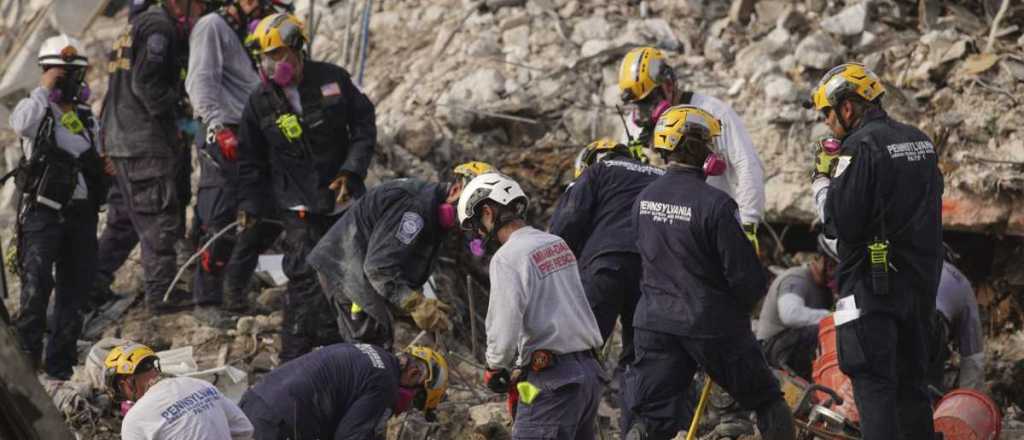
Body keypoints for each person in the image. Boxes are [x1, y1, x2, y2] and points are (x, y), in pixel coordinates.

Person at [621, 105, 795, 440]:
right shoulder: (716, 204)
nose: (713, 150)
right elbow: (746, 278)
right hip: (710, 324)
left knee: (651, 418)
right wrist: (741, 310)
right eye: (707, 143)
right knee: (769, 401)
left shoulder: (642, 199)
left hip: (653, 323)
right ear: (693, 147)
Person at [808, 62, 943, 439]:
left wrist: (822, 181)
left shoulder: (859, 148)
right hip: (919, 289)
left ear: (847, 108)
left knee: (875, 388)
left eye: (827, 114)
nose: (827, 123)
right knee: (913, 387)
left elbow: (841, 224)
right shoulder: (919, 140)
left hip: (872, 293)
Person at [237, 13, 377, 362]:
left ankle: (347, 352)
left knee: (350, 277)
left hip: (342, 203)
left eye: (280, 54)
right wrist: (251, 207)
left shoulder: (333, 79)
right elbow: (250, 161)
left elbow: (363, 126)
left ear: (299, 50)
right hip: (298, 205)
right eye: (268, 57)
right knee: (304, 280)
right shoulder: (259, 102)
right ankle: (294, 359)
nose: (274, 64)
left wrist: (351, 171)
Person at [458, 173, 605, 439]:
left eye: (477, 226)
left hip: (553, 381)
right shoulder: (555, 243)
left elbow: (504, 324)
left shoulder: (507, 258)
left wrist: (495, 366)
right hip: (588, 375)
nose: (480, 234)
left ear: (488, 212)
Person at [8, 35, 110, 380]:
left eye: (74, 72)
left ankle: (59, 367)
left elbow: (90, 152)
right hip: (43, 213)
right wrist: (45, 91)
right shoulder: (34, 109)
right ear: (47, 71)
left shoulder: (83, 115)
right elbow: (20, 126)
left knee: (74, 291)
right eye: (62, 72)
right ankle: (26, 368)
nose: (69, 79)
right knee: (36, 289)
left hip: (79, 215)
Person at [308, 162, 493, 347]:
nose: (467, 224)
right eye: (468, 214)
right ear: (456, 190)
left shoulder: (431, 211)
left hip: (358, 269)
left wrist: (414, 300)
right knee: (371, 351)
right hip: (346, 269)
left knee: (375, 345)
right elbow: (379, 269)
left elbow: (401, 260)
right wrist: (415, 304)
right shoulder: (414, 210)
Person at [98, 0, 207, 313]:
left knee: (125, 221)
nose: (200, 10)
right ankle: (161, 295)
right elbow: (147, 85)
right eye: (197, 3)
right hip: (143, 143)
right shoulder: (159, 27)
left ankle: (93, 284)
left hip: (122, 140)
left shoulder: (137, 25)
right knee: (159, 219)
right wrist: (178, 116)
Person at [185, 0, 291, 312]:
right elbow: (201, 80)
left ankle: (234, 290)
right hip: (225, 129)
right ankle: (206, 299)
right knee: (222, 213)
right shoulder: (212, 27)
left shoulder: (245, 33)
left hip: (253, 130)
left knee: (266, 213)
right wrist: (217, 126)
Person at [618, 47, 765, 253]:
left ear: (668, 85)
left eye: (648, 101)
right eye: (638, 104)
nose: (643, 111)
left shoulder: (711, 112)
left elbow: (746, 164)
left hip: (712, 226)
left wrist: (748, 223)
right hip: (663, 235)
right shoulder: (633, 129)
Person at [549, 138, 663, 374]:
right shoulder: (661, 177)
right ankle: (633, 409)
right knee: (641, 361)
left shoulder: (598, 170)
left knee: (578, 349)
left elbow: (567, 222)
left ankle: (566, 405)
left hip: (606, 265)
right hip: (654, 274)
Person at [238, 344, 448, 440]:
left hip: (253, 404)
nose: (408, 409)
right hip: (279, 425)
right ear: (413, 374)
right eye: (418, 400)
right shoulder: (385, 383)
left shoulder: (374, 354)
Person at [103, 343, 254, 439]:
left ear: (128, 382)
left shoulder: (135, 419)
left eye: (120, 387)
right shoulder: (199, 384)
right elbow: (245, 429)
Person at [756, 235, 837, 380]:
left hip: (787, 348)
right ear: (818, 259)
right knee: (824, 330)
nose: (833, 273)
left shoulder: (824, 290)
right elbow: (790, 315)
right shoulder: (796, 279)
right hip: (772, 349)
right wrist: (832, 317)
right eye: (831, 267)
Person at [931, 260, 985, 391]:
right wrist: (967, 401)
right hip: (932, 325)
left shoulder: (919, 259)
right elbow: (973, 358)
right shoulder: (963, 284)